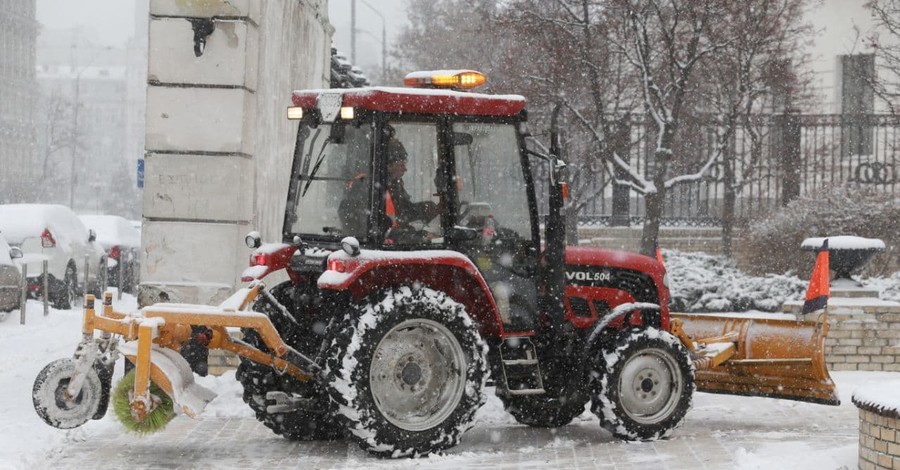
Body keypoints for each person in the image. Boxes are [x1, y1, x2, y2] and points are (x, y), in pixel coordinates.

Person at [384, 138, 439, 230]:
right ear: (389, 166)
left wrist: (426, 208)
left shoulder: (393, 184)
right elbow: (399, 219)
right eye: (401, 165)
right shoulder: (381, 188)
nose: (405, 169)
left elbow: (405, 210)